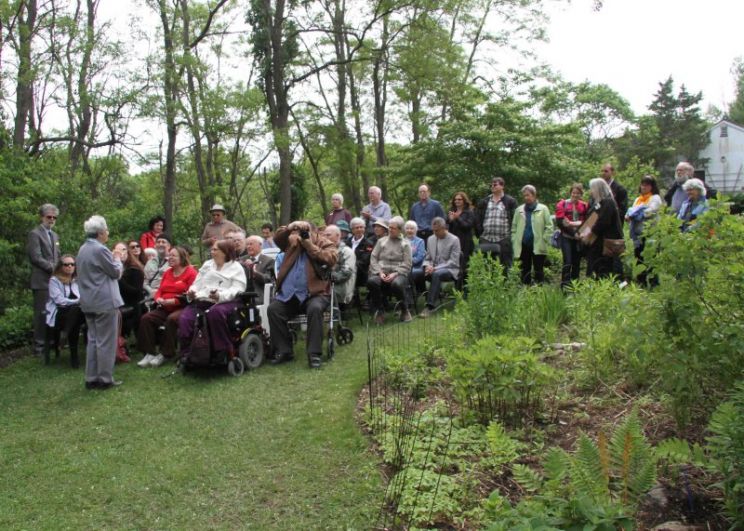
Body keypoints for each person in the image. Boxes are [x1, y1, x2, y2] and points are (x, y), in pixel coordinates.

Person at [267, 221, 338, 368]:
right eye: (298, 230)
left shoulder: (324, 242)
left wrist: (309, 245)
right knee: (274, 309)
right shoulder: (291, 242)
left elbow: (331, 259)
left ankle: (314, 354)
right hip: (289, 295)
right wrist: (290, 227)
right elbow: (277, 239)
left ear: (314, 231)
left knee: (315, 309)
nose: (300, 233)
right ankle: (285, 351)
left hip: (315, 293)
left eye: (304, 230)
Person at [178, 240, 247, 359]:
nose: (212, 252)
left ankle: (223, 351)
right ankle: (187, 353)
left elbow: (238, 289)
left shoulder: (236, 267)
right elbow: (197, 283)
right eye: (212, 249)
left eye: (215, 250)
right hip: (203, 299)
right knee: (185, 317)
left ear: (225, 252)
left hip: (227, 301)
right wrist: (192, 291)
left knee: (215, 313)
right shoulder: (207, 265)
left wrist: (220, 296)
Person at [76, 215, 124, 390]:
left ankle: (91, 377)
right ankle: (105, 378)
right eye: (106, 230)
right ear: (101, 232)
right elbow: (115, 272)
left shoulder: (82, 249)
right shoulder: (100, 250)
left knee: (94, 339)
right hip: (104, 301)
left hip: (89, 301)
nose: (107, 233)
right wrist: (118, 257)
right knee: (106, 341)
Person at [137, 246, 197, 368]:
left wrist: (174, 301)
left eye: (173, 256)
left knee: (172, 319)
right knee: (146, 318)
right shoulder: (167, 272)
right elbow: (160, 289)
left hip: (183, 307)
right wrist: (158, 298)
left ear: (182, 257)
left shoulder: (191, 272)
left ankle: (166, 353)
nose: (170, 258)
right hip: (164, 306)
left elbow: (191, 295)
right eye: (169, 255)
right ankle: (149, 353)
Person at [27, 203, 61, 358]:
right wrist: (53, 268)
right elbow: (35, 257)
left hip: (55, 279)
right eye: (49, 217)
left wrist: (62, 269)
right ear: (42, 217)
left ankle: (52, 342)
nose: (52, 219)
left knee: (54, 310)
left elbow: (57, 256)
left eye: (54, 217)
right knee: (41, 313)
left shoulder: (54, 235)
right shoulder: (35, 234)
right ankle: (39, 346)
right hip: (41, 280)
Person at [367, 217, 413, 324]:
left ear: (400, 230)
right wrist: (380, 272)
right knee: (372, 281)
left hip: (399, 273)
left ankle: (404, 309)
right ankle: (380, 310)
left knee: (396, 284)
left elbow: (407, 264)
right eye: (389, 227)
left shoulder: (405, 244)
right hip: (382, 272)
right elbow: (373, 258)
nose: (390, 230)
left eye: (393, 228)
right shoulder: (381, 241)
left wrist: (395, 274)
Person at [45, 255, 85, 367]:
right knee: (75, 313)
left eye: (72, 264)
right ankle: (74, 357)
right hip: (59, 313)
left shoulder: (76, 280)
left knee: (76, 316)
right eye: (66, 264)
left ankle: (65, 334)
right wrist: (78, 301)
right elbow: (59, 301)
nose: (70, 267)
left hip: (74, 315)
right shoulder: (54, 280)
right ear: (60, 267)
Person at [580, 179, 623, 279]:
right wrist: (582, 232)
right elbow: (591, 218)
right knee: (595, 267)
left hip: (607, 243)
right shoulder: (597, 203)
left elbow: (603, 222)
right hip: (597, 243)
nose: (591, 192)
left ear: (598, 189)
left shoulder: (608, 202)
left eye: (592, 189)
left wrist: (589, 234)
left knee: (606, 269)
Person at [512, 186, 554, 285]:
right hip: (523, 245)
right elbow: (514, 227)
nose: (526, 197)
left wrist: (544, 239)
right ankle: (526, 291)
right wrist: (515, 240)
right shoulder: (519, 210)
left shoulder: (543, 209)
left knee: (538, 270)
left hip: (538, 244)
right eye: (524, 195)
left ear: (534, 195)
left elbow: (549, 226)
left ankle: (539, 293)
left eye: (528, 195)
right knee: (524, 270)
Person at [419, 217, 461, 318]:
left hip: (450, 269)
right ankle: (409, 304)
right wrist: (427, 266)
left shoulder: (454, 240)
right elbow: (428, 257)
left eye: (437, 230)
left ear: (444, 228)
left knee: (437, 274)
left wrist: (435, 268)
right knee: (418, 272)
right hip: (433, 268)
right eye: (433, 230)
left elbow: (453, 262)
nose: (434, 232)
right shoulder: (430, 239)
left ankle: (430, 306)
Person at [626, 175, 663, 282]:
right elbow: (631, 211)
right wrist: (629, 215)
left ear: (652, 186)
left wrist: (636, 213)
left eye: (647, 185)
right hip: (637, 234)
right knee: (638, 257)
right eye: (642, 184)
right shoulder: (638, 199)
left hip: (650, 232)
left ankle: (653, 281)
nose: (644, 187)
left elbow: (650, 211)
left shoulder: (655, 198)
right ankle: (641, 280)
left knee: (650, 257)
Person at [476, 177, 518, 270]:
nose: (493, 186)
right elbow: (478, 218)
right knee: (486, 266)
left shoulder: (510, 201)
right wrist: (480, 233)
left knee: (504, 266)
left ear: (502, 186)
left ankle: (504, 284)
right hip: (486, 238)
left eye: (495, 184)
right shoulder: (484, 201)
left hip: (503, 239)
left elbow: (515, 219)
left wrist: (511, 235)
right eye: (492, 184)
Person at [555, 183, 589, 288]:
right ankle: (564, 286)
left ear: (581, 194)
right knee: (567, 261)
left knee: (576, 262)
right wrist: (574, 232)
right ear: (570, 193)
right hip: (566, 237)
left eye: (578, 193)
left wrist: (574, 226)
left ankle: (575, 286)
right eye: (573, 193)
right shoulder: (562, 204)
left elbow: (587, 221)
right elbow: (561, 222)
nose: (575, 195)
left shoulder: (584, 205)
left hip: (580, 237)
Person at [112, 241, 145, 338]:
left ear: (128, 252)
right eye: (117, 250)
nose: (120, 253)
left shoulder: (134, 270)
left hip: (132, 305)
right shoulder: (111, 268)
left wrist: (119, 279)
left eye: (123, 249)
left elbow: (136, 292)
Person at [447, 191, 476, 283]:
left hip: (466, 243)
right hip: (454, 242)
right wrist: (450, 221)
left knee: (465, 266)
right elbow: (447, 227)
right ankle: (457, 288)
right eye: (455, 199)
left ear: (464, 200)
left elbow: (468, 226)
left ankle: (466, 289)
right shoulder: (452, 211)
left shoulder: (469, 212)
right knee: (455, 265)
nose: (457, 201)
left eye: (459, 199)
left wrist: (457, 218)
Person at [323, 224, 356, 306]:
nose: (325, 237)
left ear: (338, 236)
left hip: (340, 288)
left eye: (328, 235)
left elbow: (345, 273)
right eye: (324, 235)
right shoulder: (324, 250)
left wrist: (325, 276)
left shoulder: (347, 252)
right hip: (327, 284)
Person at [348, 217, 375, 292]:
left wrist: (350, 266)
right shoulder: (347, 242)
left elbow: (364, 261)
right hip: (347, 268)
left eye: (361, 227)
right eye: (357, 228)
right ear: (352, 229)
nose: (359, 229)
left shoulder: (369, 244)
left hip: (361, 271)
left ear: (364, 228)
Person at [143, 234, 172, 301]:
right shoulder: (149, 262)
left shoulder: (174, 261)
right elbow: (145, 281)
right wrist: (151, 291)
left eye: (163, 242)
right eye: (158, 242)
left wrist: (159, 292)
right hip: (151, 297)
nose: (160, 244)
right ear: (155, 245)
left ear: (169, 246)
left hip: (167, 296)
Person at [404, 220, 426, 294]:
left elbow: (420, 257)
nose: (409, 230)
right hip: (403, 266)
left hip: (416, 267)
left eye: (412, 228)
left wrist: (408, 262)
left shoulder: (420, 241)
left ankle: (409, 298)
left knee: (407, 273)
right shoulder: (402, 241)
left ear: (416, 230)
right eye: (407, 228)